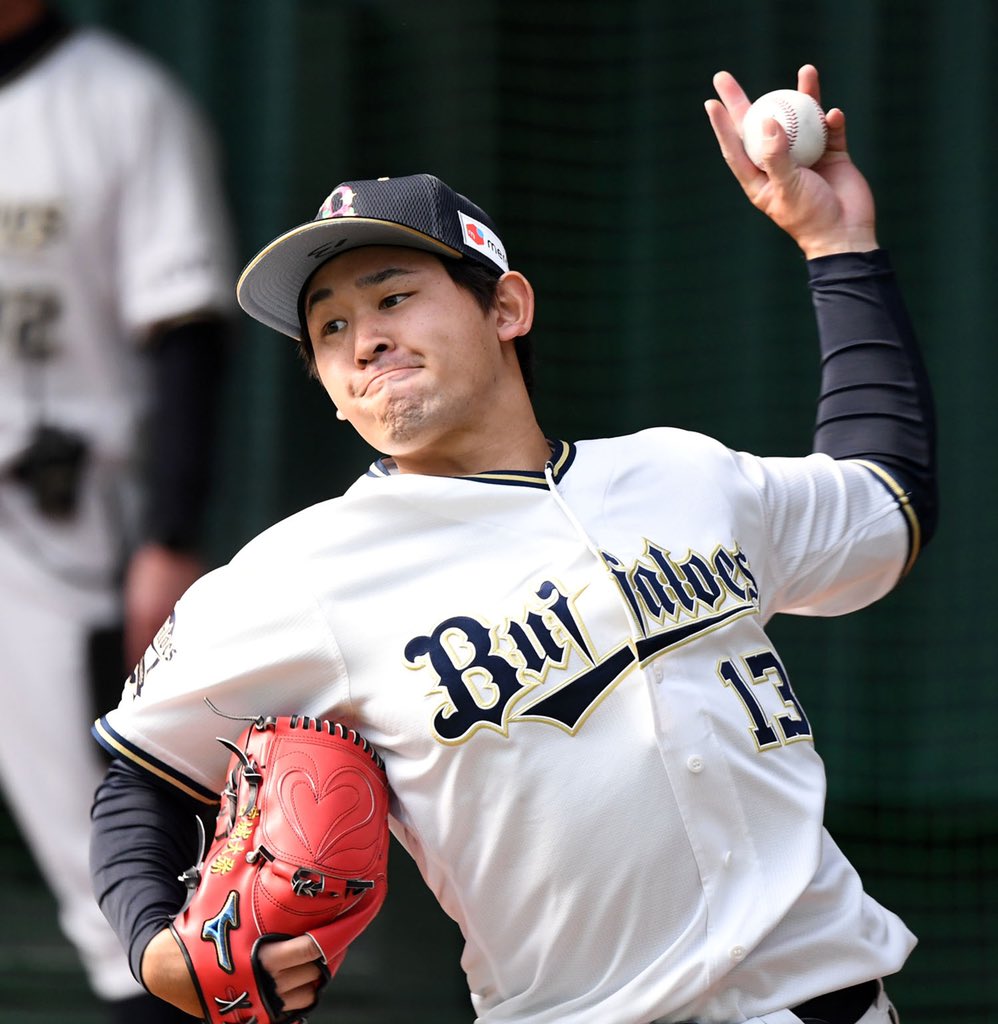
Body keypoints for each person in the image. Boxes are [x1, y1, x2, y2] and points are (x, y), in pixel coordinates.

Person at [90, 63, 936, 1024]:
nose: (363, 337)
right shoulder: (302, 575)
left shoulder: (684, 475)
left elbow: (887, 500)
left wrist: (838, 243)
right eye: (330, 327)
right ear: (328, 389)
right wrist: (153, 942)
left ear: (506, 309)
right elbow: (141, 779)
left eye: (393, 295)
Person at [0, 1, 234, 1021]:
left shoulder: (120, 101)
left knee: (121, 903)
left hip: (54, 539)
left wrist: (169, 538)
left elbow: (186, 334)